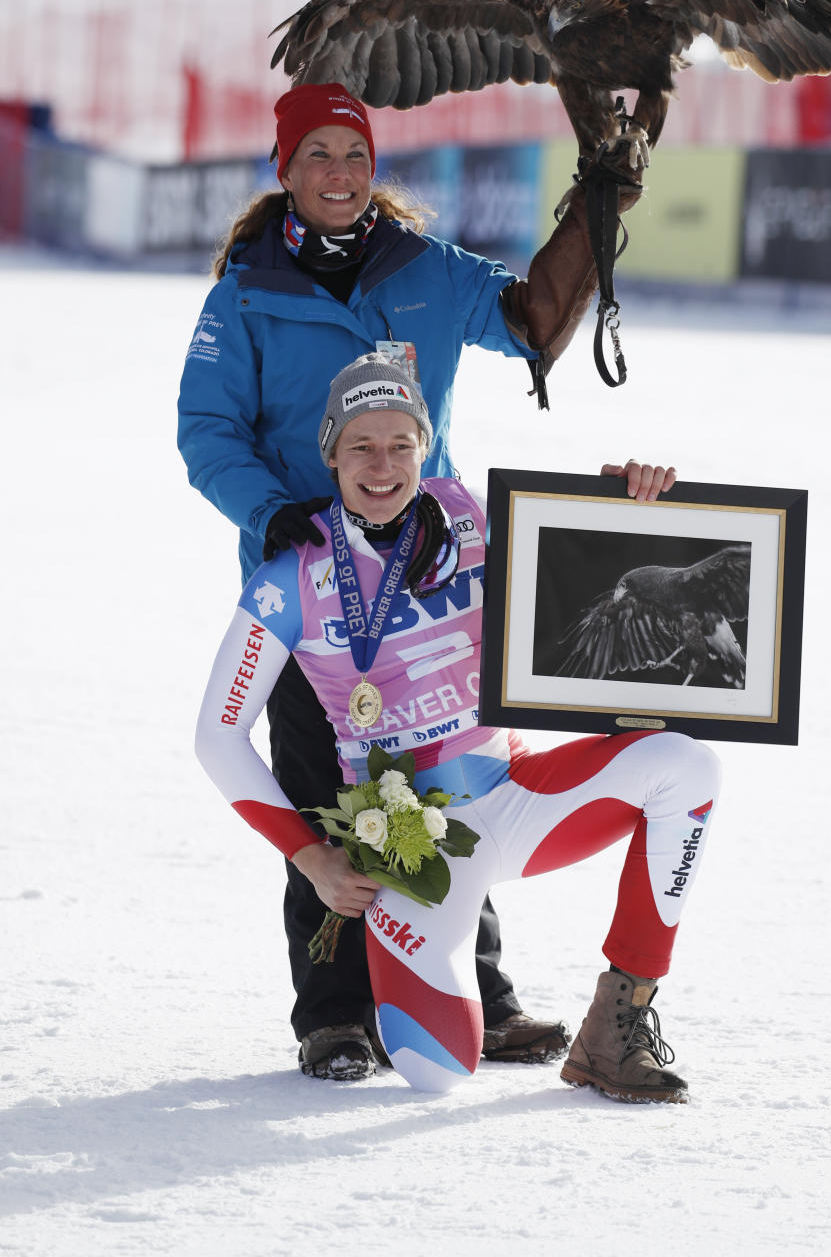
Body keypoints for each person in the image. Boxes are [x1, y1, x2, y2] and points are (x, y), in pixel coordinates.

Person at [177, 82, 642, 1080]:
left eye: (355, 156)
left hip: (431, 581)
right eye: (318, 158)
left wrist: (594, 207)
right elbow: (206, 432)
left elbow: (533, 321)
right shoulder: (246, 292)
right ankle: (337, 1013)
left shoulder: (425, 268)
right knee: (322, 790)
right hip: (314, 598)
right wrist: (274, 514)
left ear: (374, 168)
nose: (338, 175)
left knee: (449, 776)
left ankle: (487, 991)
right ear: (285, 172)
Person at [194, 353, 721, 1101]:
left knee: (688, 768)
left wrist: (621, 508)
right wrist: (313, 859)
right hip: (413, 848)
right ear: (331, 455)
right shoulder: (290, 576)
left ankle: (617, 1022)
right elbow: (217, 735)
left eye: (401, 445)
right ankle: (379, 992)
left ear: (424, 445)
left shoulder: (468, 513)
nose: (383, 466)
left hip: (516, 794)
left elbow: (584, 568)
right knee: (438, 1071)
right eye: (361, 448)